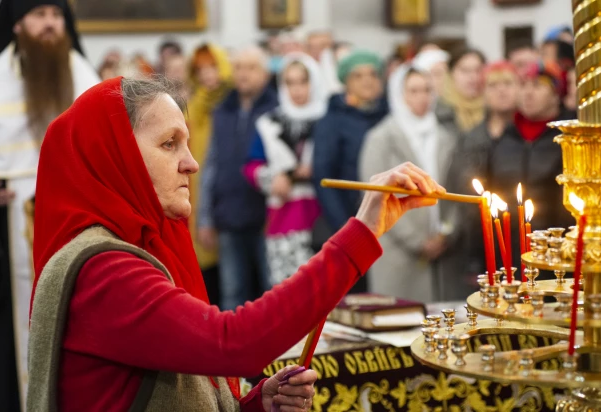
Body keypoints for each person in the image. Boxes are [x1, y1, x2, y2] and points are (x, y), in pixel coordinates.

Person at [27, 76, 443, 411]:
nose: (191, 162)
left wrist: (253, 405)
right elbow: (233, 343)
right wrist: (363, 229)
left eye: (187, 143)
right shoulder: (103, 271)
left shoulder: (139, 249)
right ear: (111, 155)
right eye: (169, 143)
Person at [0, 0, 99, 409]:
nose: (50, 24)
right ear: (17, 24)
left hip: (77, 221)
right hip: (10, 227)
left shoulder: (82, 73)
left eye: (56, 15)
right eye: (39, 15)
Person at [360, 66, 458, 302]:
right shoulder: (381, 138)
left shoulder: (445, 136)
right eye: (413, 90)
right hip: (397, 250)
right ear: (399, 94)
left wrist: (447, 233)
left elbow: (455, 187)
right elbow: (376, 197)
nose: (422, 97)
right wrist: (417, 241)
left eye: (426, 90)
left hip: (442, 252)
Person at [466, 61, 573, 273]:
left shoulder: (567, 138)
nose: (528, 93)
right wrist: (477, 256)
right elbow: (485, 197)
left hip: (554, 254)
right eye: (523, 85)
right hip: (507, 253)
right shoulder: (504, 138)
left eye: (537, 86)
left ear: (555, 94)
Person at [198, 46, 278, 311]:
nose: (243, 74)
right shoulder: (223, 111)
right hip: (229, 215)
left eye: (251, 67)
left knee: (272, 291)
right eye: (239, 68)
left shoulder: (276, 110)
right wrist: (205, 218)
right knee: (232, 293)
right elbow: (211, 167)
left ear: (265, 74)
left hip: (267, 217)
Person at [244, 53, 327, 286]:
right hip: (285, 218)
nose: (297, 89)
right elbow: (251, 165)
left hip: (325, 218)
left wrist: (318, 169)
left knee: (328, 296)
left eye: (303, 81)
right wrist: (273, 178)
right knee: (289, 299)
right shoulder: (268, 123)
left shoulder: (328, 120)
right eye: (290, 82)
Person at [312, 49, 387, 293]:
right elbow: (324, 177)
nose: (367, 80)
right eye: (358, 75)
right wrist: (347, 229)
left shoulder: (389, 115)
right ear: (346, 81)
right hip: (350, 220)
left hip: (387, 223)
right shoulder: (333, 120)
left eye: (373, 74)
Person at [459, 62, 520, 277]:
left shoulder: (526, 136)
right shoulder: (472, 137)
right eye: (493, 85)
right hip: (482, 235)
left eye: (508, 83)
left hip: (519, 230)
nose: (501, 90)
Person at [186, 43, 233, 305]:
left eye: (212, 67)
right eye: (200, 69)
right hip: (196, 203)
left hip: (225, 204)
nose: (207, 75)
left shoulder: (233, 104)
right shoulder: (192, 107)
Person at [436, 47, 486, 136]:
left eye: (478, 70)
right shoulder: (439, 113)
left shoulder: (496, 112)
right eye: (465, 70)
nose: (473, 77)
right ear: (451, 74)